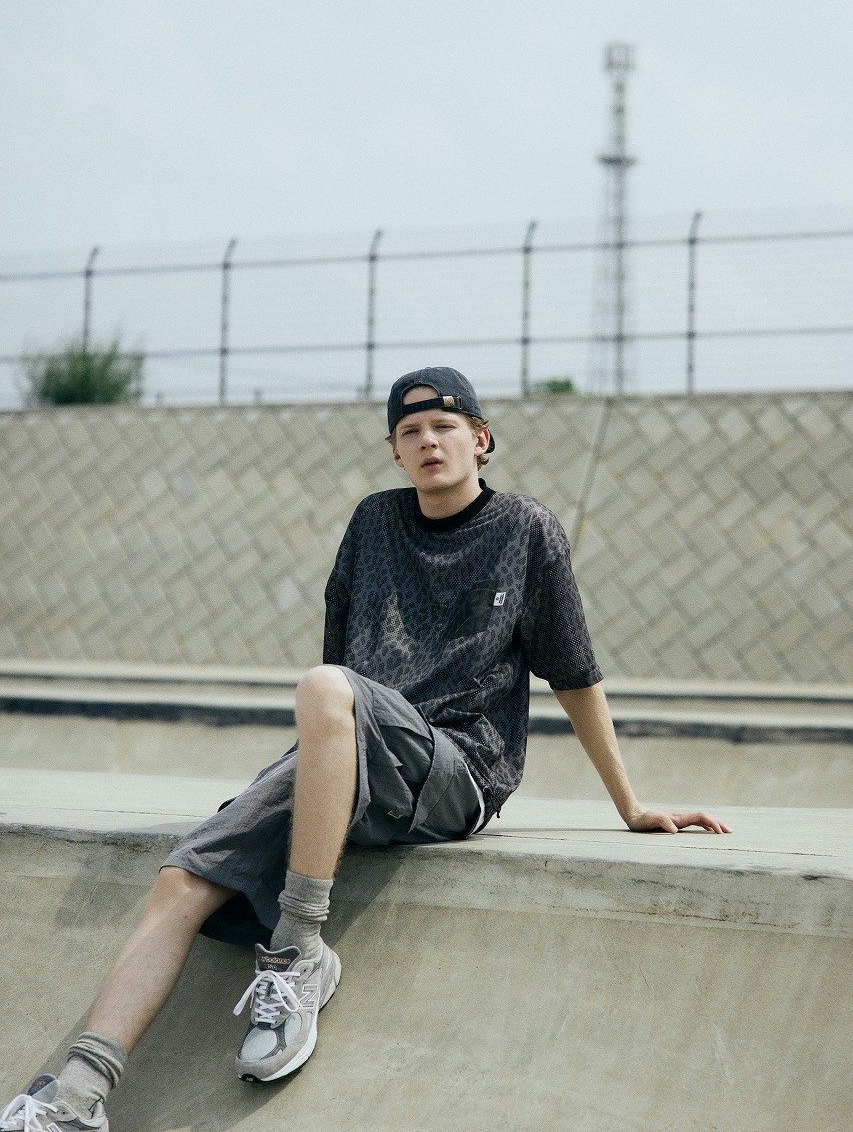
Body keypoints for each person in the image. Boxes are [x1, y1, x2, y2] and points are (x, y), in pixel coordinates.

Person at [1, 366, 731, 1131]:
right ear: (394, 452)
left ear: (481, 440)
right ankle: (77, 1096)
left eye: (444, 427)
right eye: (410, 432)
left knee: (325, 687)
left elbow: (573, 674)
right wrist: (300, 794)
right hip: (355, 743)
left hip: (457, 767)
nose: (428, 442)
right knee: (184, 876)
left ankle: (298, 950)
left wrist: (630, 805)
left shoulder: (524, 529)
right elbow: (337, 679)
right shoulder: (373, 522)